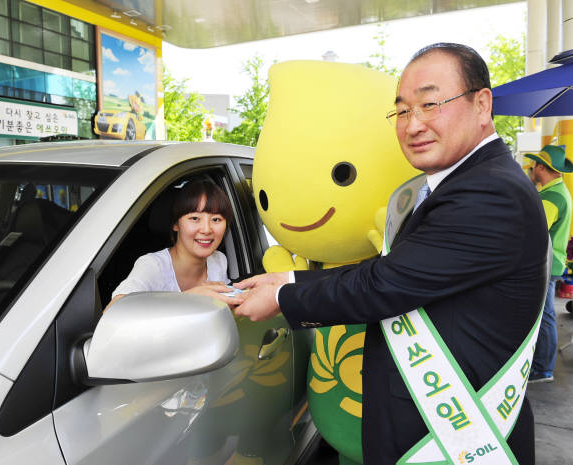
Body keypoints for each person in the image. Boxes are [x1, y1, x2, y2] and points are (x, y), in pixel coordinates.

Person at [234, 43, 548, 465]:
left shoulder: (489, 192)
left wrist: (281, 298)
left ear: (482, 104)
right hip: (433, 431)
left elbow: (385, 284)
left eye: (430, 104)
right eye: (402, 110)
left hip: (453, 441)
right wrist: (287, 279)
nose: (413, 124)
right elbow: (398, 270)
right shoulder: (465, 182)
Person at [107, 180, 243, 309]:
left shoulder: (218, 260)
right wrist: (189, 297)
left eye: (216, 219)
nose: (206, 229)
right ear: (176, 224)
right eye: (195, 218)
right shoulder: (153, 266)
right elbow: (111, 311)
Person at [525, 144, 573, 383]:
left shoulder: (551, 197)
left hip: (545, 264)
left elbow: (533, 232)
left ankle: (543, 368)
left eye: (533, 166)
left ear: (541, 167)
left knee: (544, 316)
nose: (531, 170)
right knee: (545, 315)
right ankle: (542, 364)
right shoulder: (559, 191)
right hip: (552, 263)